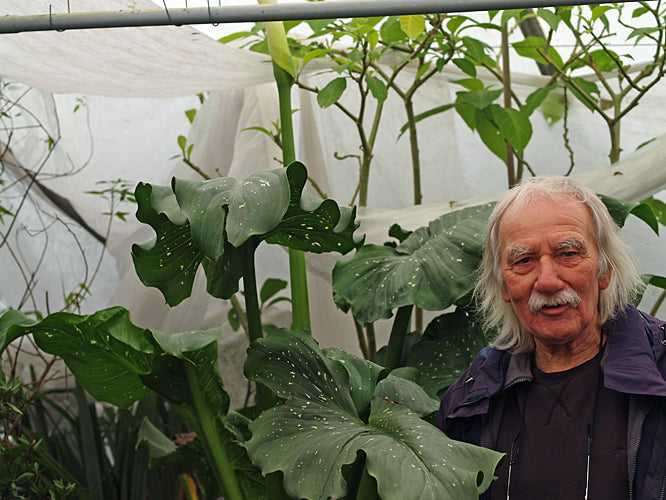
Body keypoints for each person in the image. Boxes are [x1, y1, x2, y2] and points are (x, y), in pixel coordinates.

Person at [436, 176, 666, 499]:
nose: (547, 281)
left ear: (604, 269)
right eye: (524, 260)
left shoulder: (660, 374)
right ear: (504, 285)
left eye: (568, 253)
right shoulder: (470, 400)